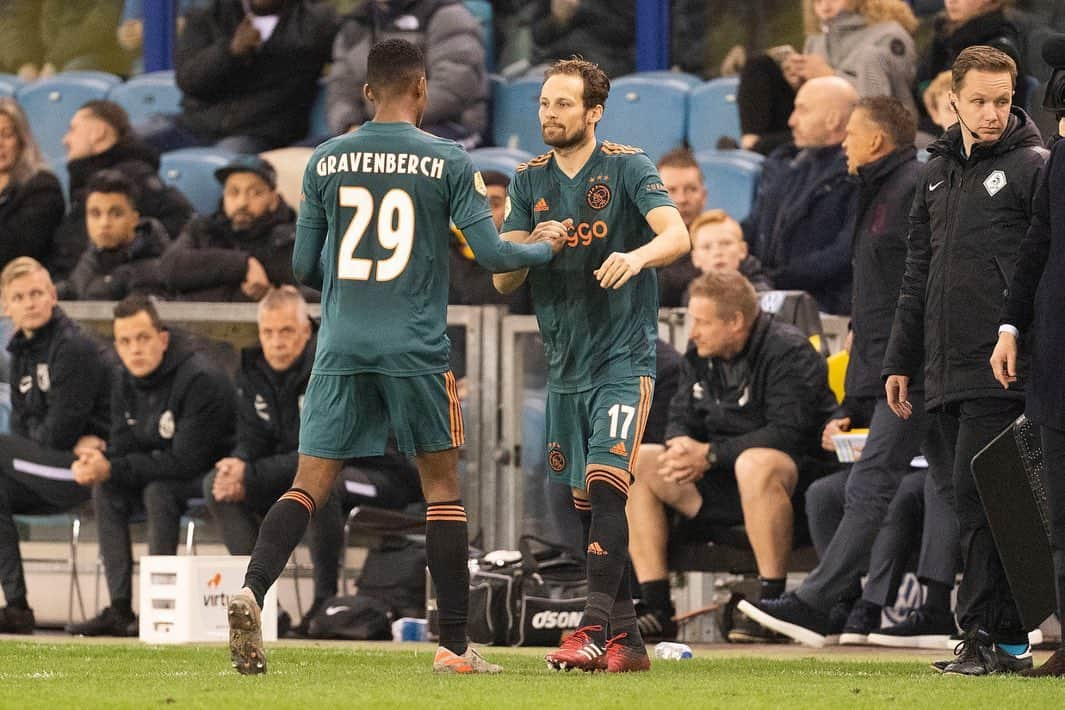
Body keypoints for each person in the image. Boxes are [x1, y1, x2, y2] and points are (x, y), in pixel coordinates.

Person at [226, 38, 563, 676]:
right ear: (422, 90)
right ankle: (456, 648)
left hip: (341, 345)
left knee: (308, 485)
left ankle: (251, 590)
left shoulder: (324, 161)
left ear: (367, 93)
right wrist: (543, 245)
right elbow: (492, 257)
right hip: (414, 346)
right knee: (441, 487)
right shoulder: (448, 160)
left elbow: (301, 268)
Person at [493, 57, 690, 673]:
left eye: (562, 104)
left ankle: (590, 629)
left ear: (593, 113)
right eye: (544, 104)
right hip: (565, 365)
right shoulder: (527, 182)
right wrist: (531, 244)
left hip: (623, 356)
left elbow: (677, 234)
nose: (549, 114)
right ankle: (628, 643)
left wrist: (635, 258)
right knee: (584, 501)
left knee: (608, 482)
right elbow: (503, 280)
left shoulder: (628, 166)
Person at [736, 96, 930, 646]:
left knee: (872, 482)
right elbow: (877, 300)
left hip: (915, 368)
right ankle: (986, 610)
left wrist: (898, 362)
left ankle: (819, 601)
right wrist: (856, 396)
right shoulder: (875, 192)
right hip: (898, 366)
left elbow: (913, 293)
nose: (843, 142)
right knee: (963, 485)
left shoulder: (912, 188)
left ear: (876, 141)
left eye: (852, 133)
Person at [883, 45, 1047, 676]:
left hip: (1003, 366)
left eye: (1003, 100)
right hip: (943, 369)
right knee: (974, 503)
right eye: (978, 100)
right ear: (951, 100)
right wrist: (901, 359)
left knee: (984, 505)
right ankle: (1007, 638)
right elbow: (917, 273)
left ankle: (979, 634)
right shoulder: (935, 173)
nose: (991, 113)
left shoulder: (1034, 168)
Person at [626, 271, 837, 642]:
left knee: (755, 462)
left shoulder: (788, 350)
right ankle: (657, 606)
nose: (692, 332)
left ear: (736, 321)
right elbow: (679, 416)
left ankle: (771, 606)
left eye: (703, 322)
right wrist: (679, 446)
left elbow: (788, 434)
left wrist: (709, 454)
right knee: (642, 461)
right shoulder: (700, 355)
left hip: (794, 488)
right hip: (721, 482)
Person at [67, 295, 235, 636]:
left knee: (158, 492)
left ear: (162, 338)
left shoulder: (199, 376)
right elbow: (123, 445)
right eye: (125, 342)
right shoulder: (122, 377)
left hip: (208, 473)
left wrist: (115, 466)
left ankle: (158, 608)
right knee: (107, 488)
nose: (135, 349)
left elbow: (186, 461)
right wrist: (97, 462)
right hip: (160, 467)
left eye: (142, 338)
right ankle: (118, 609)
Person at [204, 286, 344, 635]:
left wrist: (251, 473)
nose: (276, 341)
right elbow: (252, 438)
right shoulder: (253, 372)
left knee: (324, 489)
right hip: (287, 471)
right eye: (268, 332)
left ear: (306, 331)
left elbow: (327, 452)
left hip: (360, 467)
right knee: (216, 486)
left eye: (286, 331)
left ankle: (323, 604)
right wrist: (236, 466)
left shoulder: (329, 366)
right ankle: (264, 605)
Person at [990, 65, 1065, 678]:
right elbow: (1036, 245)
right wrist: (1010, 326)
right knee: (1062, 516)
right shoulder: (1059, 164)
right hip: (1058, 369)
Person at [0, 257, 111, 634]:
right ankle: (16, 608)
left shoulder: (73, 347)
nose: (29, 302)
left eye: (36, 293)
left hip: (82, 472)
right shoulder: (19, 353)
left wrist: (39, 436)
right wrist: (38, 434)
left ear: (52, 296)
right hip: (45, 469)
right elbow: (25, 425)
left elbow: (57, 435)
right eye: (19, 296)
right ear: (6, 306)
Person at [139, 0, 338, 154]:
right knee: (126, 142)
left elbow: (350, 55)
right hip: (193, 125)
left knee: (225, 164)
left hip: (258, 135)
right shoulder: (209, 15)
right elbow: (189, 80)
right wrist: (230, 52)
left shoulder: (315, 22)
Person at [738, 0, 918, 155]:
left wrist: (830, 76)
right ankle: (750, 144)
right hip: (821, 119)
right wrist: (801, 84)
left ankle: (755, 148)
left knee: (770, 145)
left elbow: (883, 101)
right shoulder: (816, 40)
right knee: (759, 65)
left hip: (857, 123)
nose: (825, 6)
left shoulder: (889, 35)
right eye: (817, 1)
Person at [744, 76, 859, 315]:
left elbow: (844, 252)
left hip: (827, 309)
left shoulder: (857, 173)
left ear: (833, 119)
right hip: (771, 301)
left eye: (802, 110)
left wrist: (777, 278)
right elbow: (755, 227)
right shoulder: (785, 165)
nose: (791, 121)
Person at [51, 100, 193, 281]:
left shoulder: (132, 179)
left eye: (73, 129)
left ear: (98, 133)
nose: (65, 139)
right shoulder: (86, 176)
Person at [326, 0, 487, 147]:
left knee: (389, 159)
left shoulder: (447, 14)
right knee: (309, 157)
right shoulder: (357, 21)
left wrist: (387, 124)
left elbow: (453, 88)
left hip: (444, 127)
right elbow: (340, 89)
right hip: (373, 130)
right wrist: (349, 125)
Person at [159, 155, 299, 302]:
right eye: (233, 192)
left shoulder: (289, 238)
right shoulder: (202, 228)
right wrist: (243, 264)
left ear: (274, 199)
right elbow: (170, 268)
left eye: (255, 193)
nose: (242, 203)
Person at [916, 0, 1028, 131]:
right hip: (938, 128)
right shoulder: (942, 37)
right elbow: (919, 85)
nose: (952, 1)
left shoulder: (999, 45)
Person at [68, 170, 171, 300]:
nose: (104, 223)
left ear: (134, 219)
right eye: (95, 214)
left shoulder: (153, 268)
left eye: (116, 214)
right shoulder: (89, 258)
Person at [0, 99, 65, 271]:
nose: (0, 144)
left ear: (22, 140)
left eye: (6, 135)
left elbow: (14, 251)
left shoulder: (43, 187)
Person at [528, 1, 635, 80]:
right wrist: (557, 20)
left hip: (605, 63)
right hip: (554, 61)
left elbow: (626, 29)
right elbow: (538, 36)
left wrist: (579, 9)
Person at [655, 148, 706, 308]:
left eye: (691, 189)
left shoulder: (723, 236)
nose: (682, 199)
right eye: (671, 190)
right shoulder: (633, 240)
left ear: (704, 195)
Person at [689, 209, 771, 293]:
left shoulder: (762, 293)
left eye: (726, 244)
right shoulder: (690, 296)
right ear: (695, 258)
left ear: (742, 250)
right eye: (707, 247)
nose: (717, 252)